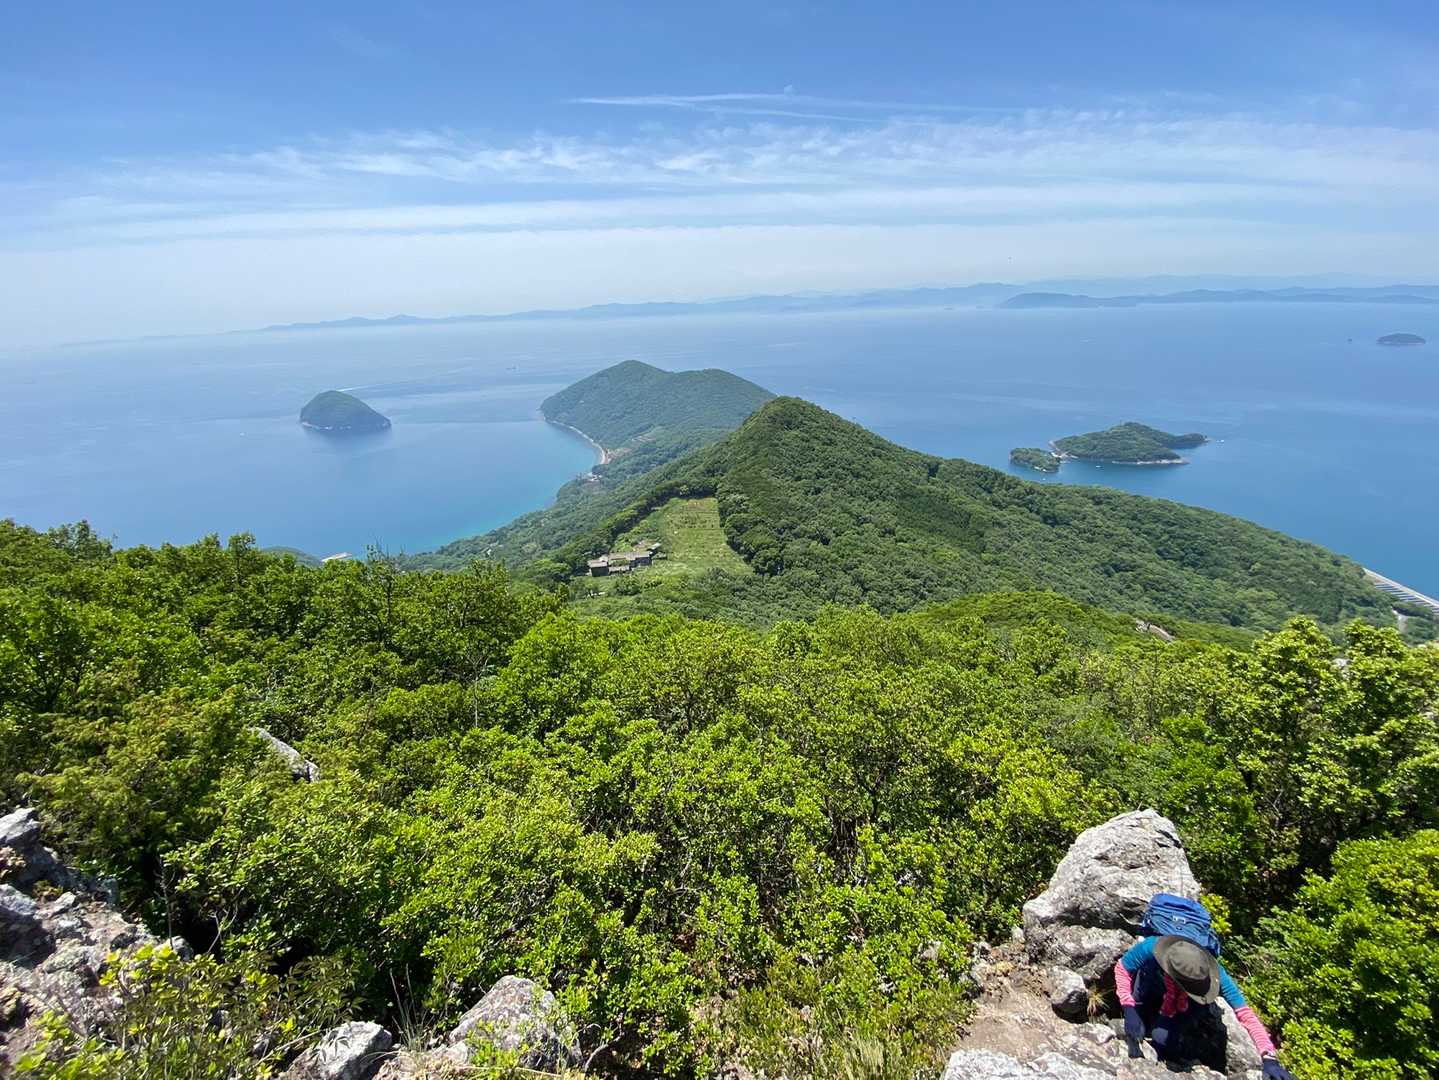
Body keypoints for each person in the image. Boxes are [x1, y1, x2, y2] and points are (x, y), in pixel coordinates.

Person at [1115, 933, 1296, 1079]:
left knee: (1161, 1038)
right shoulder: (1152, 946)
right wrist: (1129, 1007)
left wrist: (1269, 1057)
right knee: (1140, 1013)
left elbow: (1246, 1015)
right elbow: (1122, 969)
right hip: (1156, 980)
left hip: (1188, 1001)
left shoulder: (1219, 976)